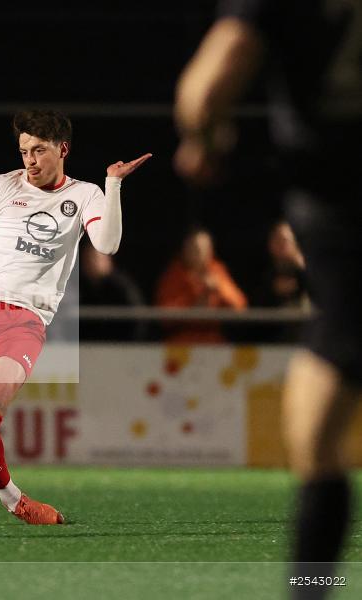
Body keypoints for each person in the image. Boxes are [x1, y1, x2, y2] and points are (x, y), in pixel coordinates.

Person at [174, 0, 362, 590]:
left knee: (318, 428)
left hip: (345, 203)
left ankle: (310, 587)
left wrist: (204, 138)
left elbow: (205, 91)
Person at [0, 109, 151, 524]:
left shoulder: (84, 195)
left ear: (62, 150)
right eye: (24, 150)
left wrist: (113, 184)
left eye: (39, 150)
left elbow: (109, 244)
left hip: (25, 318)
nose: (30, 159)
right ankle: (13, 500)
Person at [154, 227, 247, 343]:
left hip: (214, 343)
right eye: (194, 249)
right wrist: (197, 302)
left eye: (203, 249)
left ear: (211, 251)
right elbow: (165, 316)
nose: (199, 254)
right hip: (181, 343)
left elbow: (240, 308)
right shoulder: (174, 275)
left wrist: (219, 289)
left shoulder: (217, 272)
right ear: (184, 250)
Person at [78, 243, 145, 341]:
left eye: (95, 259)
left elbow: (137, 319)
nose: (90, 264)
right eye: (87, 259)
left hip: (119, 347)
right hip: (87, 348)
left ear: (108, 261)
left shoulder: (121, 287)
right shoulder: (78, 286)